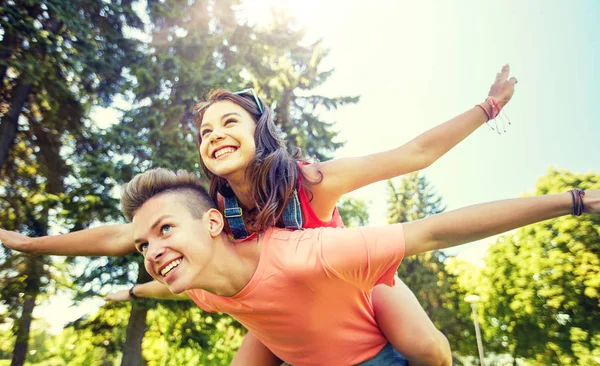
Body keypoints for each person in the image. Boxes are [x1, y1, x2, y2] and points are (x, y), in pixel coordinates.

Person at [0, 65, 518, 365]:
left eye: (229, 122)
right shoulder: (210, 210)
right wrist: (27, 244)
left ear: (257, 133)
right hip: (280, 303)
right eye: (205, 131)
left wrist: (488, 107)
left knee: (429, 347)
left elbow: (414, 155)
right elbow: (125, 236)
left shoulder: (309, 181)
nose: (215, 134)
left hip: (351, 283)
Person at [109, 168, 597, 366]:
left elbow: (435, 231)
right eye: (142, 245)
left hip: (377, 355)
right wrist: (130, 293)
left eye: (166, 230)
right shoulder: (197, 282)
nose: (151, 251)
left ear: (215, 222)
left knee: (434, 351)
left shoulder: (308, 253)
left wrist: (573, 200)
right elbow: (164, 289)